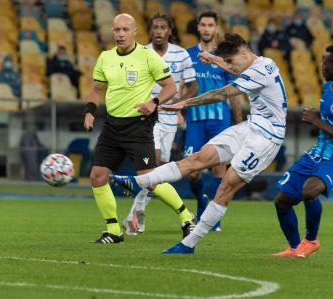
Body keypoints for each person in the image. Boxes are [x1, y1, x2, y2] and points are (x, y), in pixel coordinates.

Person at [111, 33, 288, 254]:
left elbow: (221, 93)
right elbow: (234, 69)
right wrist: (213, 58)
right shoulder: (262, 62)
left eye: (231, 60)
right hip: (251, 127)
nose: (231, 66)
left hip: (267, 137)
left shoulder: (259, 71)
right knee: (198, 158)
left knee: (226, 186)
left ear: (243, 53)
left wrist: (183, 103)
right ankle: (137, 182)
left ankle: (188, 244)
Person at [84, 13, 196, 244]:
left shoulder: (148, 56)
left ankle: (187, 217)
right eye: (117, 30)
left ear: (135, 32)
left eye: (125, 29)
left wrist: (153, 103)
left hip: (138, 126)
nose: (121, 34)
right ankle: (114, 231)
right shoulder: (105, 58)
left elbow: (170, 87)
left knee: (149, 180)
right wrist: (89, 111)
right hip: (112, 126)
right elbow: (97, 89)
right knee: (97, 176)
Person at [273, 45, 333, 258]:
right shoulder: (327, 88)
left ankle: (311, 241)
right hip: (315, 153)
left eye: (324, 63)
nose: (321, 66)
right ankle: (295, 248)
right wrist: (318, 116)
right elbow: (327, 119)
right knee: (282, 201)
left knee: (309, 191)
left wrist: (317, 122)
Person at [122, 13, 198, 235]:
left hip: (169, 118)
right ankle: (138, 216)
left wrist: (179, 104)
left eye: (162, 27)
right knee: (153, 162)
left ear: (169, 31)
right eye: (154, 27)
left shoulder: (181, 54)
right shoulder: (140, 53)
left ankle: (135, 214)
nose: (158, 31)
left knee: (158, 169)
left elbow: (193, 86)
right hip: (146, 116)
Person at [184, 11, 242, 231]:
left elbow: (234, 93)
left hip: (220, 121)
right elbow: (184, 87)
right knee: (193, 172)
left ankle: (213, 218)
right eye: (203, 25)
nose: (207, 29)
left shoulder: (224, 57)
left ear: (216, 28)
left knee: (220, 170)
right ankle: (201, 201)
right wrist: (179, 112)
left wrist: (239, 125)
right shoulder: (188, 55)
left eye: (211, 25)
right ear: (198, 28)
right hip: (195, 121)